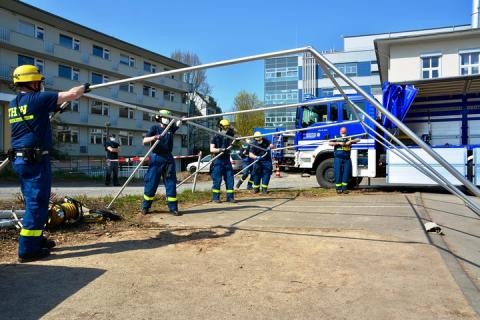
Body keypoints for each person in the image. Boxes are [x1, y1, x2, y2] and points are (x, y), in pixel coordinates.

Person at [8, 64, 89, 262]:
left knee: (34, 202)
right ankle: (27, 250)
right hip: (35, 160)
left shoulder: (14, 103)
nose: (41, 85)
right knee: (37, 203)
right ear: (31, 82)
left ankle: (37, 239)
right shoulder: (38, 98)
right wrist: (84, 88)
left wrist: (57, 106)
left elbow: (39, 115)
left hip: (21, 159)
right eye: (38, 81)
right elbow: (71, 94)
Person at [141, 110, 182, 216]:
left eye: (168, 117)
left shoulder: (170, 128)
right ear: (159, 118)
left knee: (171, 183)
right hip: (156, 157)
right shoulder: (154, 128)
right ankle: (145, 206)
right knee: (151, 182)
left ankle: (173, 208)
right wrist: (154, 137)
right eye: (165, 117)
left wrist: (181, 119)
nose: (167, 119)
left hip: (168, 158)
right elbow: (144, 140)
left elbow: (178, 124)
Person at [210, 119, 235, 203]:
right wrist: (220, 149)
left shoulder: (229, 134)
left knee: (230, 178)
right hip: (218, 160)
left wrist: (236, 139)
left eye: (227, 127)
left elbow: (235, 136)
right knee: (217, 180)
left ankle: (230, 197)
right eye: (225, 127)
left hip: (227, 160)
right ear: (220, 127)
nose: (227, 129)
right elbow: (212, 149)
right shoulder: (215, 136)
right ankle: (215, 198)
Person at [329, 127, 360, 194]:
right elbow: (330, 143)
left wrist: (350, 141)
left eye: (345, 132)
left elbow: (358, 139)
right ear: (340, 131)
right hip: (338, 158)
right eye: (342, 132)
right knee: (338, 173)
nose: (343, 133)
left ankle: (344, 189)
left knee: (346, 173)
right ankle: (338, 189)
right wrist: (338, 143)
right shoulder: (336, 137)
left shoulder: (349, 137)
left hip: (347, 158)